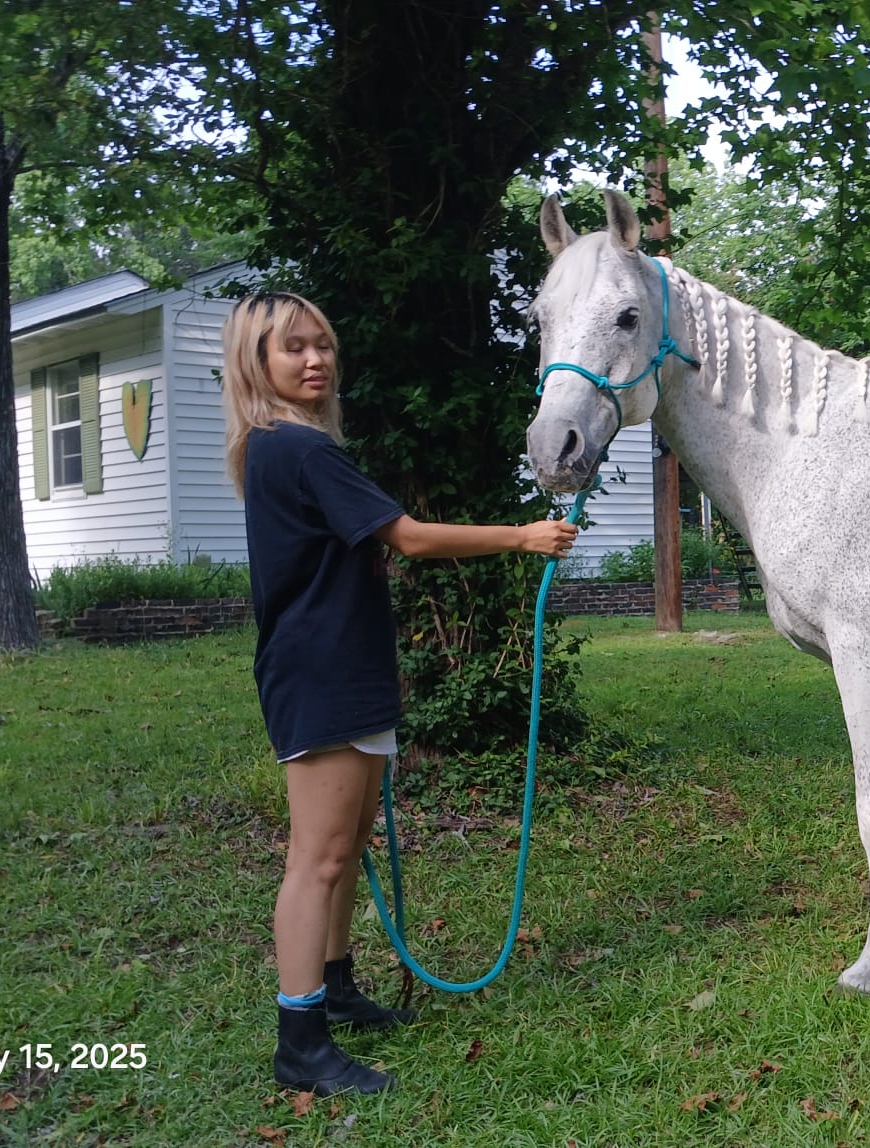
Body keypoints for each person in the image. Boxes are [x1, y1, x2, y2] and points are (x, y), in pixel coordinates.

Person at [221, 291, 577, 1094]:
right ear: (257, 364)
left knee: (346, 850)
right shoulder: (297, 450)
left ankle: (336, 987)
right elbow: (409, 537)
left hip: (344, 666)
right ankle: (300, 1039)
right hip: (320, 673)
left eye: (323, 345)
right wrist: (524, 536)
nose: (315, 361)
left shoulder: (289, 447)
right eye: (293, 349)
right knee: (317, 860)